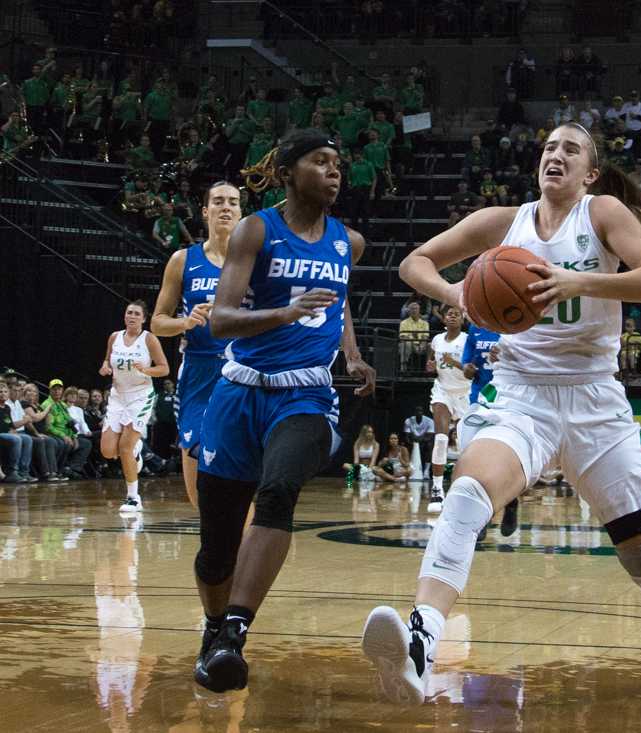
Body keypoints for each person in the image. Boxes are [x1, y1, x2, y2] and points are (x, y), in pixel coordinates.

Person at [362, 121, 641, 706]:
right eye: (548, 146)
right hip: (522, 393)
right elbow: (415, 263)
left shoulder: (602, 215)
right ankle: (423, 639)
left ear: (589, 172)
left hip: (595, 397)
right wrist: (460, 296)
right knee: (469, 492)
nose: (555, 154)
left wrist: (580, 279)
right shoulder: (504, 222)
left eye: (570, 149)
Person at [192, 129, 375, 693]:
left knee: (277, 492)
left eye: (337, 163)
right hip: (240, 389)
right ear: (290, 171)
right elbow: (221, 319)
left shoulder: (350, 241)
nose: (334, 171)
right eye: (320, 162)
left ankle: (234, 636)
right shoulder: (256, 229)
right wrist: (287, 313)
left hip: (307, 394)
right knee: (216, 546)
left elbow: (336, 301)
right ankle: (213, 626)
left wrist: (352, 353)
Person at [151, 181, 242, 508]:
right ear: (205, 211)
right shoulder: (182, 259)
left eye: (233, 202)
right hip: (199, 370)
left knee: (243, 470)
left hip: (242, 370)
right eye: (218, 201)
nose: (226, 207)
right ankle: (216, 541)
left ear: (241, 212)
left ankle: (242, 552)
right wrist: (186, 322)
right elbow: (158, 323)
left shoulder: (255, 261)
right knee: (195, 472)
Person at [98, 301, 170, 513]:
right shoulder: (114, 337)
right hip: (118, 396)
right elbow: (107, 361)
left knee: (124, 447)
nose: (131, 316)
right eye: (129, 312)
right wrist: (104, 367)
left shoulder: (149, 339)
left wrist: (147, 370)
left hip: (140, 396)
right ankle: (137, 451)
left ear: (144, 318)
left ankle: (132, 497)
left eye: (136, 314)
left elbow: (164, 369)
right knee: (108, 451)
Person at [461, 324, 519, 536]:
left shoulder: (515, 327)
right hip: (481, 397)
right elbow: (466, 368)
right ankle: (484, 513)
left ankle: (511, 503)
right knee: (477, 460)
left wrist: (506, 358)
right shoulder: (474, 330)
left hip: (507, 395)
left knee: (505, 457)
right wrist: (468, 369)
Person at [425, 305, 471, 511]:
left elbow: (472, 372)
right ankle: (436, 490)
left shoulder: (467, 340)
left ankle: (463, 488)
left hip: (465, 392)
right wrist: (430, 365)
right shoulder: (436, 340)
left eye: (457, 314)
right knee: (441, 439)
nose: (453, 316)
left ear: (462, 320)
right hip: (443, 390)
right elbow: (430, 355)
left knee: (465, 444)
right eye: (449, 314)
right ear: (443, 319)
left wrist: (454, 362)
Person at [403, 405, 434, 480]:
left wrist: (419, 440)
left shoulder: (429, 421)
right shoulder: (408, 421)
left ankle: (426, 471)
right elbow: (407, 436)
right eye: (417, 411)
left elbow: (430, 436)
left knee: (429, 445)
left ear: (423, 413)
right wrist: (412, 442)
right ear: (414, 412)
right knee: (406, 445)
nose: (419, 413)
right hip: (413, 441)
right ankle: (409, 469)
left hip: (424, 442)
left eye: (420, 411)